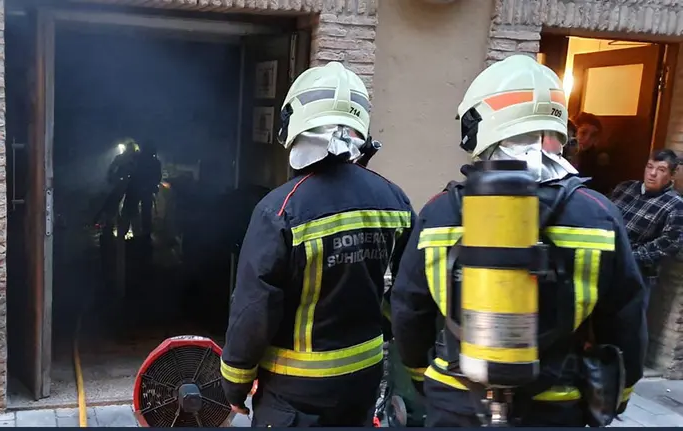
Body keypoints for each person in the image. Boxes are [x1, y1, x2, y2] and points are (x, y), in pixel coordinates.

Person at [390, 55, 648, 427]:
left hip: (457, 401)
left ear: (479, 125)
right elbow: (625, 317)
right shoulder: (599, 214)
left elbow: (409, 309)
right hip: (555, 405)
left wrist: (420, 374)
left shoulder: (440, 211)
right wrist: (620, 394)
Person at [220, 61, 416, 427]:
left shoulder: (281, 209)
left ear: (295, 125)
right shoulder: (395, 199)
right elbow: (408, 291)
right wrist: (383, 324)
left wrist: (235, 381)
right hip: (363, 380)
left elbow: (254, 308)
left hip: (295, 394)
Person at [610, 149, 683, 306]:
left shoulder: (676, 205)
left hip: (634, 275)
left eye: (661, 170)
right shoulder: (625, 187)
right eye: (650, 167)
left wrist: (628, 258)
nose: (652, 173)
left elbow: (669, 244)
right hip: (603, 260)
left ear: (672, 174)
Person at [120, 142, 162, 240]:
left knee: (130, 212)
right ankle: (142, 237)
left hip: (135, 189)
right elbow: (158, 177)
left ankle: (125, 235)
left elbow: (128, 170)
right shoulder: (154, 162)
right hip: (143, 190)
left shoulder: (137, 158)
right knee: (144, 214)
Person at [573, 112, 612, 194]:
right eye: (583, 133)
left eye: (593, 135)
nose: (587, 139)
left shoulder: (597, 158)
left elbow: (602, 189)